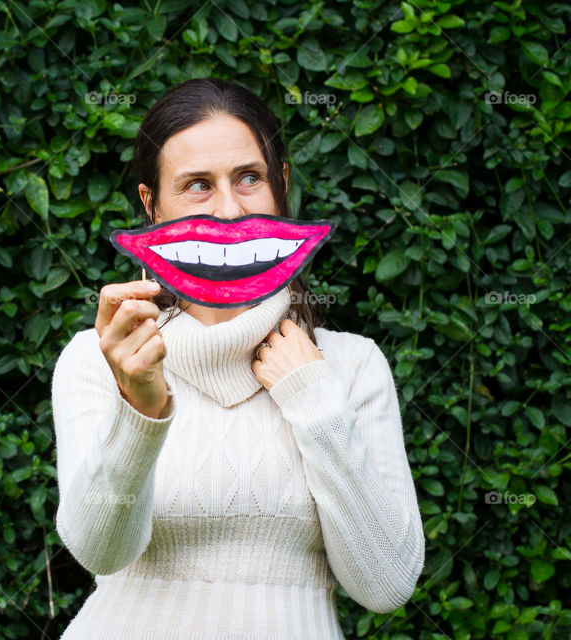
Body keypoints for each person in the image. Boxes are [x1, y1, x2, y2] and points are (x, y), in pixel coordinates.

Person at [51, 78, 426, 639]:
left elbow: (386, 585)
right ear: (151, 205)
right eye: (198, 185)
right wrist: (141, 409)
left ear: (281, 185)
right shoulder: (100, 359)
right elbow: (99, 551)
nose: (229, 210)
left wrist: (315, 401)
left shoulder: (350, 366)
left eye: (249, 177)